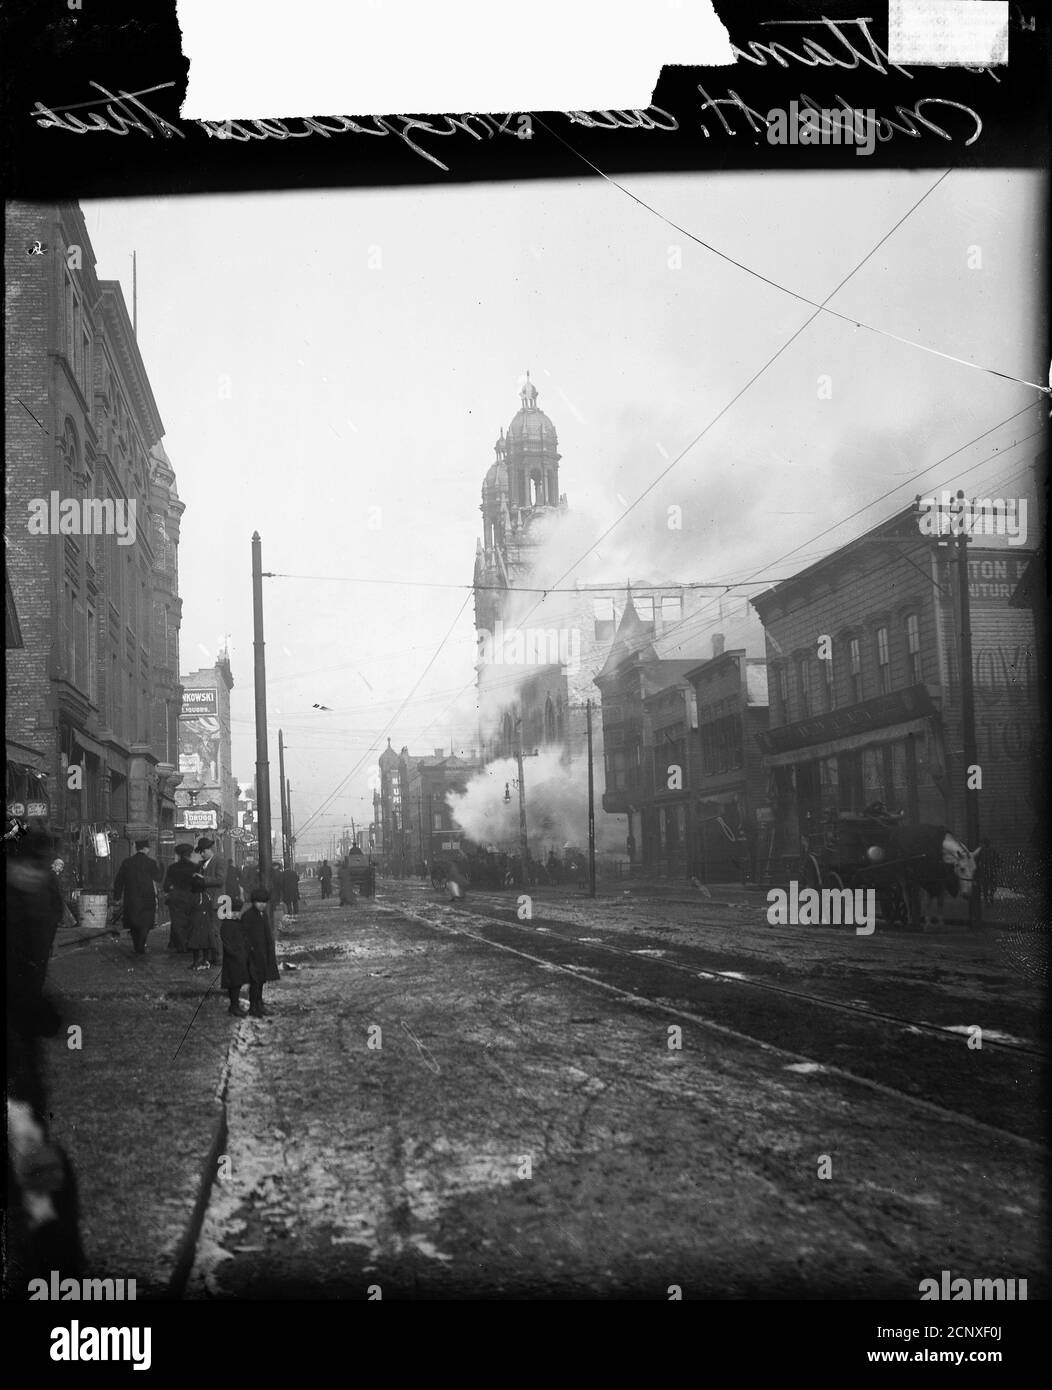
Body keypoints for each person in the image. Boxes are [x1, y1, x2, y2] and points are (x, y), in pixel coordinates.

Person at [222, 887, 279, 1018]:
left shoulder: (263, 914)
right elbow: (244, 936)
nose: (262, 905)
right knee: (255, 982)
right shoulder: (249, 916)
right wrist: (249, 951)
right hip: (253, 955)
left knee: (261, 981)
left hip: (263, 953)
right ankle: (254, 1006)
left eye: (264, 902)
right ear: (253, 902)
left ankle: (259, 1004)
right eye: (259, 902)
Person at [112, 839, 162, 955]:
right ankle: (141, 944)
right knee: (145, 922)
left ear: (136, 848)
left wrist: (117, 896)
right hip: (147, 898)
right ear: (146, 849)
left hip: (132, 897)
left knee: (134, 923)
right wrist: (162, 868)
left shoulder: (127, 862)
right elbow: (158, 878)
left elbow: (119, 880)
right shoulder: (151, 862)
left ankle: (137, 945)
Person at [163, 843, 197, 952]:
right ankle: (190, 944)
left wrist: (172, 890)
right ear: (190, 854)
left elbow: (166, 886)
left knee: (177, 923)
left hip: (176, 898)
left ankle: (181, 946)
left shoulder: (172, 868)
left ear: (178, 855)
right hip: (192, 897)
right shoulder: (195, 867)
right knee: (191, 922)